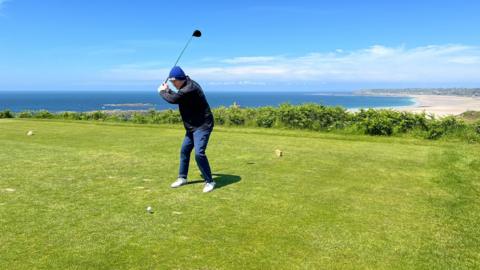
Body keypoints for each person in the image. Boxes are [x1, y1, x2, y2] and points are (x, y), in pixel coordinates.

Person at [158, 66, 216, 193]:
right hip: (192, 126)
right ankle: (182, 178)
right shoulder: (185, 86)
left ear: (179, 79)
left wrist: (162, 91)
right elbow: (178, 96)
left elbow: (173, 99)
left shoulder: (190, 88)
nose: (173, 84)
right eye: (171, 83)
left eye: (173, 82)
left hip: (203, 125)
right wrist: (167, 90)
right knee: (184, 151)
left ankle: (210, 181)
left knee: (199, 153)